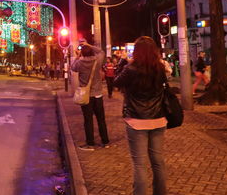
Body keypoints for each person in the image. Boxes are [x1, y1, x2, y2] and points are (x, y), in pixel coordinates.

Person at [114, 36, 168, 195]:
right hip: (158, 119)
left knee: (140, 164)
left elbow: (116, 82)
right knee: (158, 162)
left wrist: (123, 62)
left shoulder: (130, 69)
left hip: (136, 121)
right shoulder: (160, 68)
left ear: (136, 52)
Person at [71, 41, 110, 150]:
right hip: (98, 95)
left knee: (88, 120)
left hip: (86, 96)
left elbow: (72, 67)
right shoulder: (97, 61)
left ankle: (90, 143)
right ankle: (105, 142)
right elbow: (101, 51)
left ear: (82, 53)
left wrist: (78, 55)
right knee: (101, 119)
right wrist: (88, 45)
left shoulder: (79, 63)